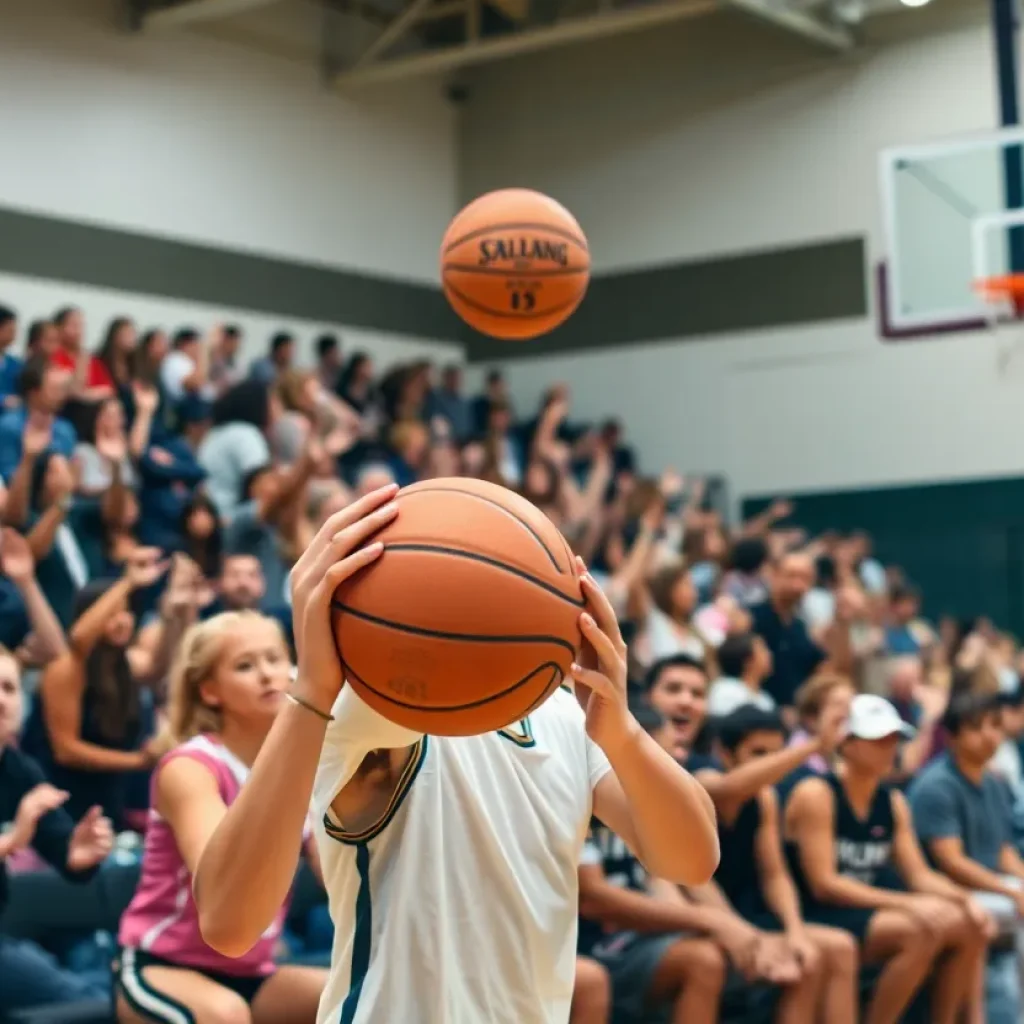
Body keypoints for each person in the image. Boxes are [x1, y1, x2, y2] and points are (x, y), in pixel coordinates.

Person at [192, 485, 720, 1024]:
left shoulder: (570, 716)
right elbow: (228, 925)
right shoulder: (361, 712)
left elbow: (692, 861)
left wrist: (625, 732)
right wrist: (310, 690)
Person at [115, 610, 327, 1023]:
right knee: (224, 1014)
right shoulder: (190, 767)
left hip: (251, 972)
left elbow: (340, 881)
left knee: (362, 999)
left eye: (275, 659)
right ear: (210, 690)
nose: (267, 675)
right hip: (162, 967)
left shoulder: (304, 768)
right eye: (246, 665)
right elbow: (216, 883)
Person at [785, 694, 993, 1024]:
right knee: (919, 930)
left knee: (971, 925)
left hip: (865, 908)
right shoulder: (817, 794)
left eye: (894, 738)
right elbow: (824, 884)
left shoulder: (893, 802)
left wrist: (965, 899)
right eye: (877, 739)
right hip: (818, 911)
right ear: (847, 743)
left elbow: (919, 875)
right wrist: (907, 904)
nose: (890, 747)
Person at [708, 706, 858, 1023]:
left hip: (750, 912)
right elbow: (731, 788)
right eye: (759, 753)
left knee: (831, 948)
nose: (772, 766)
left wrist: (795, 930)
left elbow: (775, 875)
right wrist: (816, 744)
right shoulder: (701, 778)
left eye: (777, 754)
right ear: (725, 753)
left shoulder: (765, 800)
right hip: (709, 917)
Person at [0, 641, 115, 1016]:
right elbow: (18, 835)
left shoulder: (19, 768)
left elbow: (63, 845)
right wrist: (12, 840)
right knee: (89, 1004)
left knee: (104, 972)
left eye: (10, 688)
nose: (2, 700)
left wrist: (79, 852)